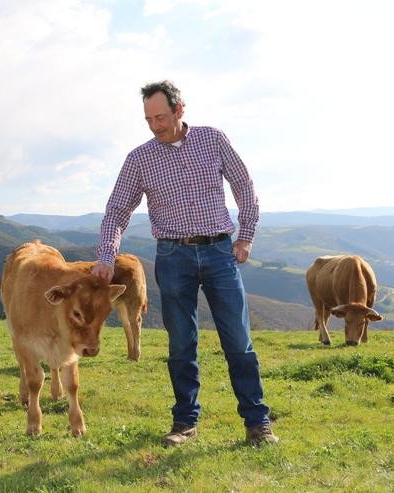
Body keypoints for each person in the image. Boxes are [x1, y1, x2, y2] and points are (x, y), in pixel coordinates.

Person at [91, 80, 278, 447]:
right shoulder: (139, 158)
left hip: (219, 252)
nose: (155, 125)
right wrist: (105, 257)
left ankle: (258, 424)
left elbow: (244, 186)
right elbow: (116, 211)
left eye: (161, 116)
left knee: (238, 341)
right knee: (181, 344)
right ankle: (184, 424)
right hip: (173, 257)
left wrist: (247, 236)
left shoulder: (213, 139)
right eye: (148, 119)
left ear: (180, 109)